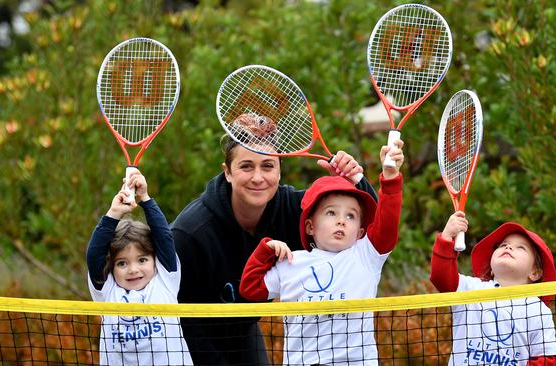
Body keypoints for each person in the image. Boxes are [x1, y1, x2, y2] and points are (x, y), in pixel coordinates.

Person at [171, 115, 378, 365]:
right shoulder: (189, 232)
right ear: (227, 172)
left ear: (279, 171)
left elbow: (371, 227)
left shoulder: (296, 210)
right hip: (190, 337)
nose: (258, 177)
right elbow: (178, 317)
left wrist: (356, 181)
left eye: (268, 166)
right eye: (246, 166)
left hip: (246, 330)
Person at [239, 140, 404, 365]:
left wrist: (390, 177)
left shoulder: (365, 256)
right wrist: (265, 250)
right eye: (331, 213)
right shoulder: (291, 262)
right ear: (310, 226)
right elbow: (250, 290)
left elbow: (387, 225)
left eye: (351, 216)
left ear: (360, 231)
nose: (341, 221)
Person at [87, 171, 193, 365]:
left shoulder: (165, 281)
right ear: (111, 267)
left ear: (155, 260)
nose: (133, 269)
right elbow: (94, 255)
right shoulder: (107, 291)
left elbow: (164, 237)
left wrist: (145, 198)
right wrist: (114, 214)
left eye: (142, 260)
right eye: (122, 263)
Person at [430, 212, 556, 366]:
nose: (509, 247)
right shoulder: (471, 288)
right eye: (503, 245)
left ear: (535, 272)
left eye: (521, 248)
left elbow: (546, 359)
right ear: (491, 269)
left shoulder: (538, 310)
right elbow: (440, 276)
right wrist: (446, 237)